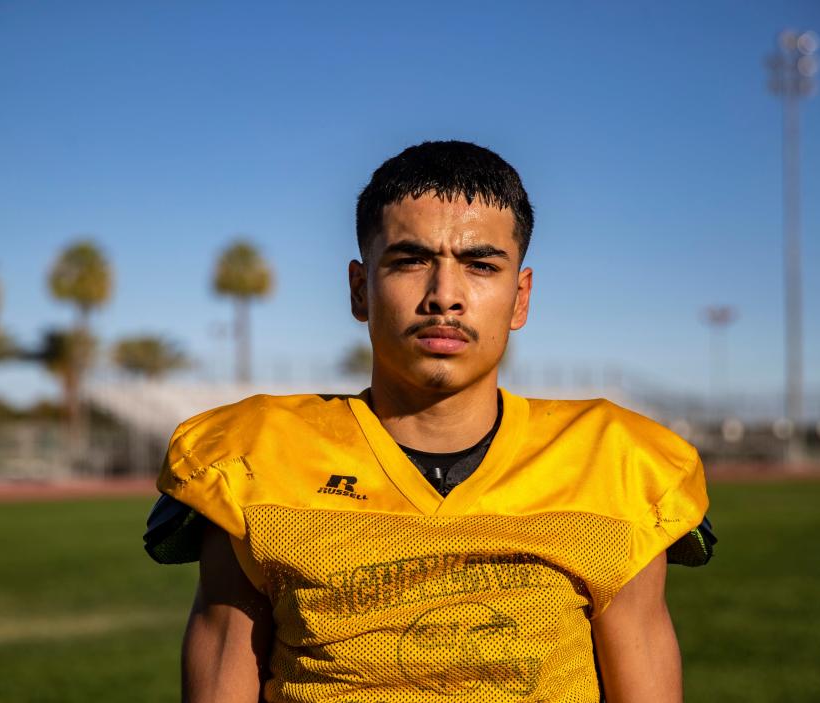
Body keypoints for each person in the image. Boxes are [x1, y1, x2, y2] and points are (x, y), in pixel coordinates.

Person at [145, 140, 715, 703]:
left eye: (480, 265)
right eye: (410, 261)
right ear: (359, 289)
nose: (445, 296)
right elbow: (223, 661)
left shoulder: (616, 461)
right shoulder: (253, 456)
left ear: (520, 298)